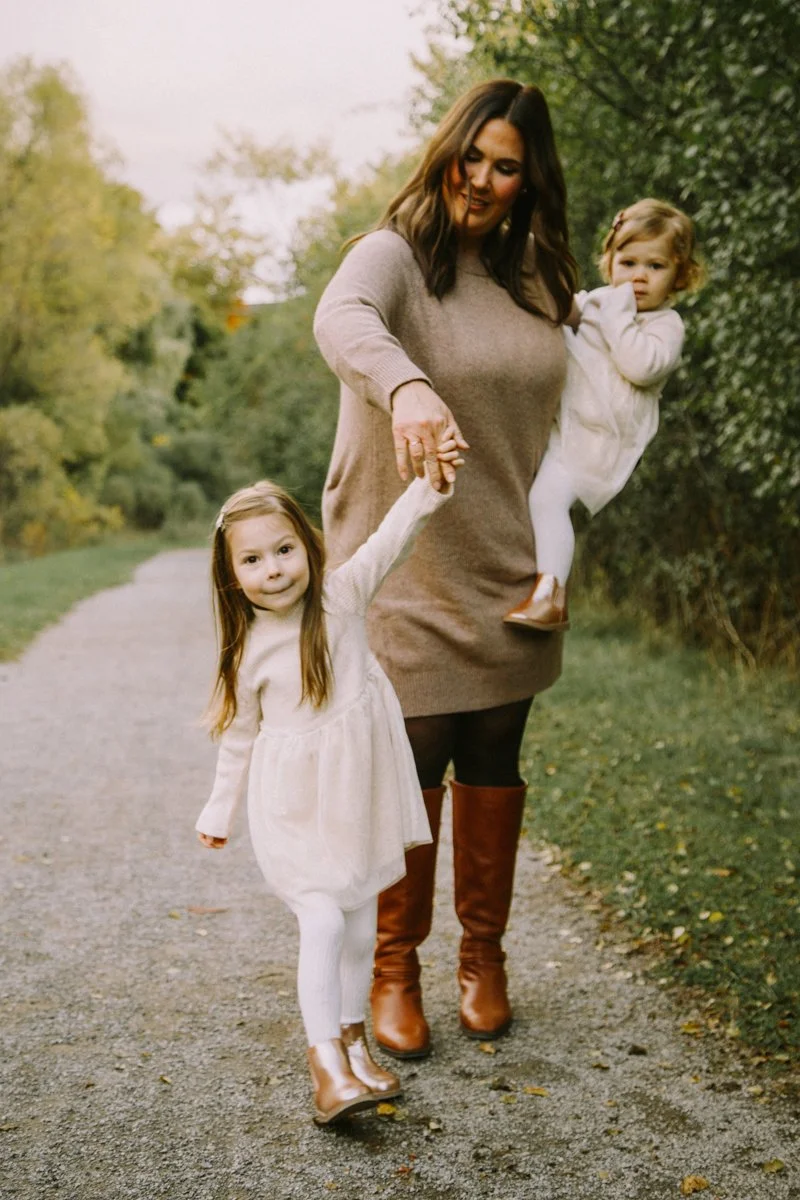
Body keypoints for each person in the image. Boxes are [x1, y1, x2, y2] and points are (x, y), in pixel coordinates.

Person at [313, 78, 578, 1058]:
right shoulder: (389, 259)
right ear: (443, 154)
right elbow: (342, 327)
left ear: (527, 179)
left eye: (504, 165)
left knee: (495, 757)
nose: (480, 179)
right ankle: (393, 968)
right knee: (409, 760)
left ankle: (483, 959)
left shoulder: (537, 279)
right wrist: (410, 388)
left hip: (507, 558)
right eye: (469, 156)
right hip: (404, 565)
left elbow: (590, 398)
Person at [194, 445, 461, 1125]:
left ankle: (353, 1040)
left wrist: (429, 485)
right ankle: (325, 1066)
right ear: (230, 576)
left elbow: (390, 539)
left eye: (283, 550)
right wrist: (219, 807)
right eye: (251, 560)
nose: (272, 569)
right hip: (293, 810)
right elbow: (239, 736)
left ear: (307, 548)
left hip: (356, 800)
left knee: (362, 927)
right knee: (319, 919)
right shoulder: (249, 649)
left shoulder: (342, 594)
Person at [505, 198, 706, 631]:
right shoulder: (596, 302)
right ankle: (526, 580)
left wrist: (616, 311)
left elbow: (641, 365)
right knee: (527, 495)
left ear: (679, 275)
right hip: (565, 420)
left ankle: (551, 596)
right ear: (609, 261)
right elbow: (563, 314)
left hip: (600, 436)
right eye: (628, 261)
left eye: (655, 266)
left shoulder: (665, 325)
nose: (638, 276)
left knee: (547, 499)